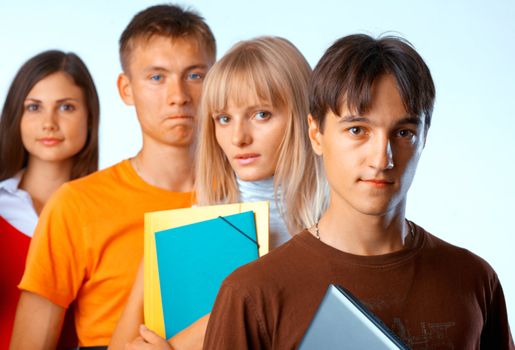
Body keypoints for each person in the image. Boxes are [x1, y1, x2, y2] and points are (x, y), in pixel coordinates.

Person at [202, 34, 515, 349]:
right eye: (357, 130)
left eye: (403, 133)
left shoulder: (474, 281)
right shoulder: (251, 294)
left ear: (424, 138)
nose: (382, 159)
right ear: (316, 134)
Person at [10, 4, 216, 349]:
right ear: (126, 89)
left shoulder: (249, 197)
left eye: (195, 75)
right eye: (156, 77)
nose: (178, 97)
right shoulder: (76, 205)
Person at [110, 36, 327, 350]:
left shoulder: (340, 224)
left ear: (304, 118)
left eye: (261, 114)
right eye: (224, 119)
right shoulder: (189, 228)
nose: (239, 137)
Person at [0, 49, 99, 349]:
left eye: (66, 107)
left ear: (90, 117)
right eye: (34, 107)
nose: (49, 123)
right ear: (16, 115)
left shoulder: (106, 210)